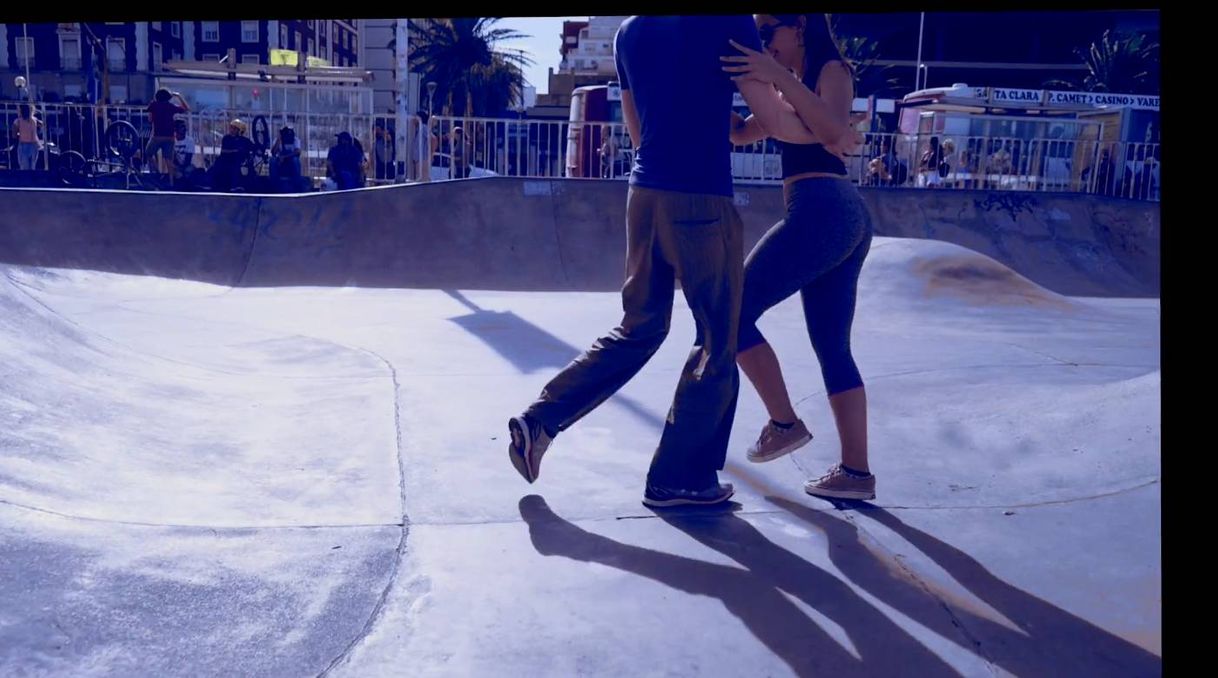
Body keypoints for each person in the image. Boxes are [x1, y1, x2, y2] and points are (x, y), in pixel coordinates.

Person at [506, 15, 811, 508]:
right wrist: (824, 127)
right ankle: (680, 478)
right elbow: (774, 122)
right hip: (701, 200)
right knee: (719, 337)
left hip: (644, 195)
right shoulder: (729, 22)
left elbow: (639, 128)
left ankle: (539, 419)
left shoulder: (630, 31)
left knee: (639, 327)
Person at [721, 13, 875, 500]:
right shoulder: (790, 84)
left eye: (769, 33)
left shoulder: (831, 69)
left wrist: (774, 74)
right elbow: (744, 133)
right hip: (833, 216)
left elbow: (832, 126)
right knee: (833, 348)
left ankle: (783, 421)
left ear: (800, 25)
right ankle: (856, 474)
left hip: (824, 208)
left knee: (732, 310)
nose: (764, 43)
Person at [145, 88, 190, 175]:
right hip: (170, 137)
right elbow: (186, 109)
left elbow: (150, 120)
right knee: (168, 160)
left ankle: (157, 172)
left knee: (148, 153)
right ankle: (171, 182)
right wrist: (178, 96)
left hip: (157, 136)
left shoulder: (153, 105)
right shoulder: (171, 106)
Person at [271, 125, 304, 192]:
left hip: (291, 164)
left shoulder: (295, 140)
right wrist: (279, 140)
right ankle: (274, 185)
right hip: (280, 164)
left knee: (295, 160)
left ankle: (297, 185)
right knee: (272, 160)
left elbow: (297, 152)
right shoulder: (278, 140)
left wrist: (285, 157)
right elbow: (273, 153)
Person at [11, 104, 43, 171]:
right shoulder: (34, 120)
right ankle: (31, 179)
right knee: (32, 166)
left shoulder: (18, 121)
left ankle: (27, 180)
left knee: (25, 167)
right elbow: (42, 124)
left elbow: (14, 135)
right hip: (32, 144)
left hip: (25, 144)